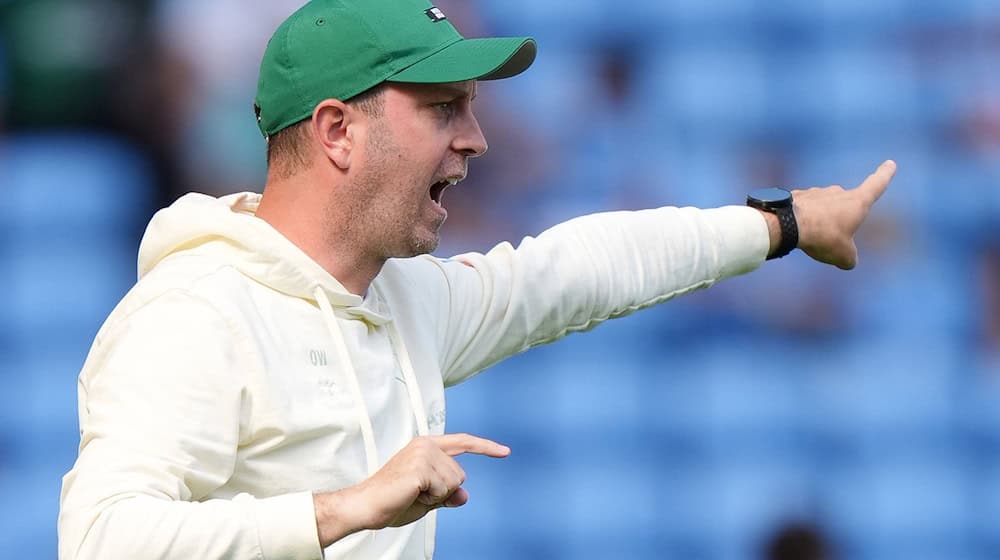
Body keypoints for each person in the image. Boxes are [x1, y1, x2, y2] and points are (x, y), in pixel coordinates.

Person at [56, 0, 897, 558]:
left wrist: (782, 224)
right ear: (338, 130)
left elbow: (576, 272)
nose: (477, 140)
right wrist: (343, 507)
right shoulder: (195, 314)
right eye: (442, 108)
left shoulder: (404, 300)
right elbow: (99, 537)